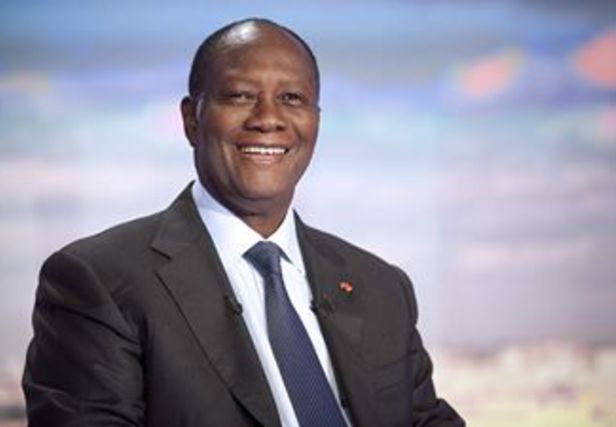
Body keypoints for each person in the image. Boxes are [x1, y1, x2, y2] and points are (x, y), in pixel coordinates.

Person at [22, 18, 465, 427]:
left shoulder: (381, 287)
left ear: (316, 121)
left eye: (292, 98)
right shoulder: (98, 280)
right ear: (191, 119)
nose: (268, 119)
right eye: (240, 96)